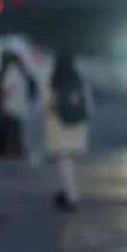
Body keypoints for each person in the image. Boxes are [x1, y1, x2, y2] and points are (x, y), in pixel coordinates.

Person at [43, 50, 92, 212]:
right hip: (77, 125)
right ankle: (65, 193)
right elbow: (89, 106)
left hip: (59, 126)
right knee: (68, 162)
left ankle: (71, 195)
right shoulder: (79, 81)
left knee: (64, 161)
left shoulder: (53, 81)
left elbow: (44, 105)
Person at [0, 50, 36, 160]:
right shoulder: (21, 71)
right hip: (17, 105)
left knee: (10, 128)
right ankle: (16, 148)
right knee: (15, 127)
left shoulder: (7, 71)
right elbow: (32, 85)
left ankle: (10, 149)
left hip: (7, 105)